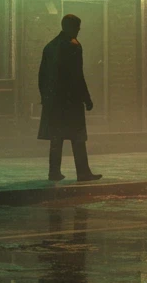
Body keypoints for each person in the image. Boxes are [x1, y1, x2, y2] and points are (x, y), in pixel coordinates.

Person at [37, 13, 102, 182]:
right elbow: (77, 76)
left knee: (56, 138)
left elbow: (42, 75)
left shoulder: (50, 46)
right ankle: (83, 171)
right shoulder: (73, 46)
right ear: (71, 27)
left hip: (54, 101)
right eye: (77, 27)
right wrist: (86, 98)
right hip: (71, 100)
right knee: (77, 137)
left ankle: (54, 172)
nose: (79, 30)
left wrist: (45, 97)